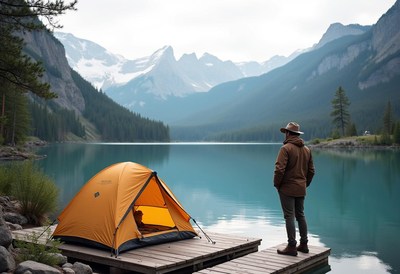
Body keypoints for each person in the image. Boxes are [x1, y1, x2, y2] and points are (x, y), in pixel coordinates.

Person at [273, 122, 315, 256]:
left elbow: (279, 170)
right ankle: (304, 244)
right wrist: (304, 183)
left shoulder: (285, 149)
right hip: (301, 187)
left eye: (285, 132)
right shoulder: (307, 149)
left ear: (288, 133)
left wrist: (277, 184)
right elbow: (312, 171)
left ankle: (291, 246)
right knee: (300, 215)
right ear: (297, 134)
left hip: (287, 188)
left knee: (289, 216)